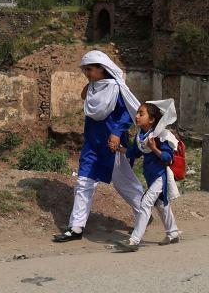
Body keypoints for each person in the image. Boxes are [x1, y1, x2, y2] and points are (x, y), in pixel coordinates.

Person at [52, 50, 144, 243]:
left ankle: (144, 212)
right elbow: (85, 99)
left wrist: (116, 133)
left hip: (112, 144)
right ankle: (76, 228)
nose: (86, 73)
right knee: (83, 182)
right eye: (85, 70)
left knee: (125, 184)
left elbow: (128, 113)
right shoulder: (93, 87)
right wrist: (89, 84)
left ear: (102, 69)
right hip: (92, 142)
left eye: (90, 69)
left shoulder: (116, 88)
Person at [114, 99, 181, 251]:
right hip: (150, 176)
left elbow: (167, 158)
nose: (137, 116)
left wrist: (154, 148)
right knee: (161, 205)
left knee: (145, 203)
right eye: (137, 113)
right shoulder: (141, 136)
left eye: (141, 114)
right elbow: (134, 153)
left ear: (151, 120)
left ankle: (134, 241)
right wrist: (118, 148)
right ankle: (173, 233)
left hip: (160, 176)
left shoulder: (160, 135)